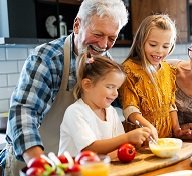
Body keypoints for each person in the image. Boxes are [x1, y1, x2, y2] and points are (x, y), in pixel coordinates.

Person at [0, 0, 129, 175]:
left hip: (77, 165)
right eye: (98, 34)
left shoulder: (107, 64)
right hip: (33, 159)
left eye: (112, 38)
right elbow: (24, 111)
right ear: (77, 25)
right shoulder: (48, 58)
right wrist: (40, 165)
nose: (104, 45)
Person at [119, 14, 192, 141]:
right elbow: (130, 109)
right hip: (141, 141)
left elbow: (170, 105)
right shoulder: (129, 69)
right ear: (141, 41)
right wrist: (149, 128)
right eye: (153, 44)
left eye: (165, 46)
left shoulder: (168, 70)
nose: (159, 51)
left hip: (167, 139)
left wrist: (177, 130)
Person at [59, 54, 151, 158]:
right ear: (87, 85)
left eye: (117, 88)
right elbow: (89, 149)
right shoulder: (75, 112)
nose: (116, 93)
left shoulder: (111, 111)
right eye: (110, 87)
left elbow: (120, 145)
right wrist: (128, 137)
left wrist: (136, 143)